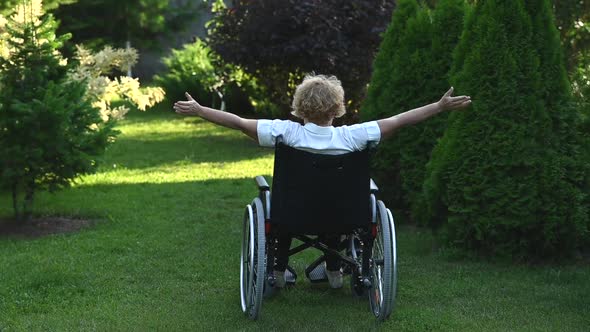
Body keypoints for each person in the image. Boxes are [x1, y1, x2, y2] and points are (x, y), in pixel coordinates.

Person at [174, 74, 471, 288]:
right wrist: (438, 107)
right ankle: (333, 271)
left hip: (291, 215)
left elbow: (238, 123)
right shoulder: (355, 136)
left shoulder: (286, 133)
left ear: (300, 107)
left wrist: (201, 111)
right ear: (337, 107)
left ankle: (277, 271)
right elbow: (399, 120)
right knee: (331, 201)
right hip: (345, 216)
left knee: (287, 204)